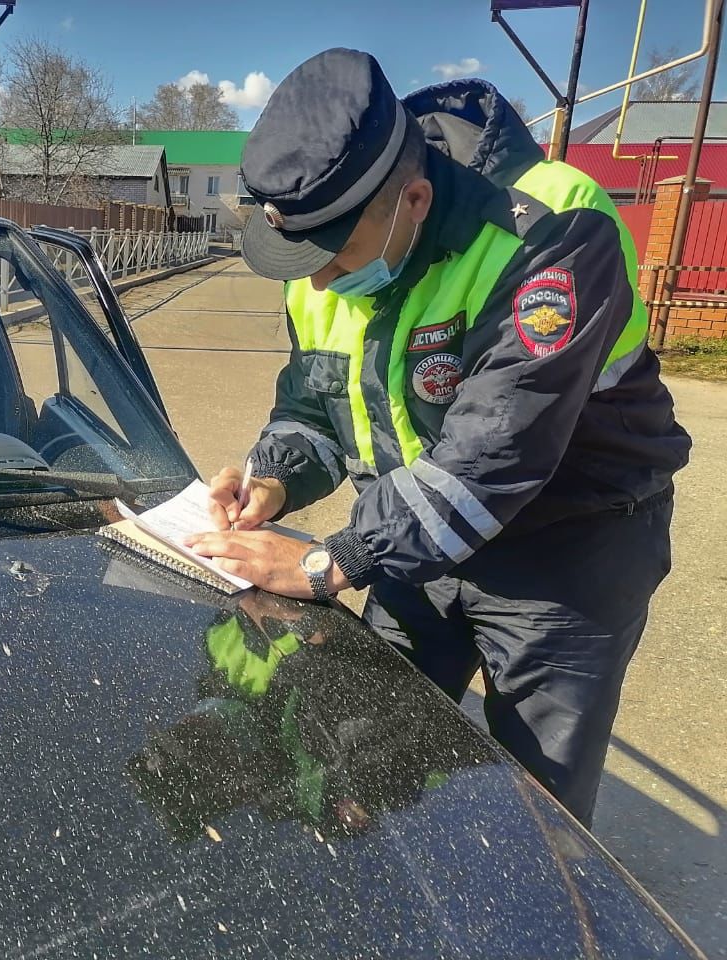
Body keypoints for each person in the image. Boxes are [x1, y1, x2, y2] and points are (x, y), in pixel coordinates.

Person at [183, 48, 691, 827]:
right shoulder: (334, 237)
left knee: (537, 805)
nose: (317, 283)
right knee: (364, 746)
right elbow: (314, 406)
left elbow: (495, 456)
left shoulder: (552, 230)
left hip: (569, 552)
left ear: (413, 200)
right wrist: (272, 479)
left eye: (334, 261)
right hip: (418, 537)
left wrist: (332, 560)